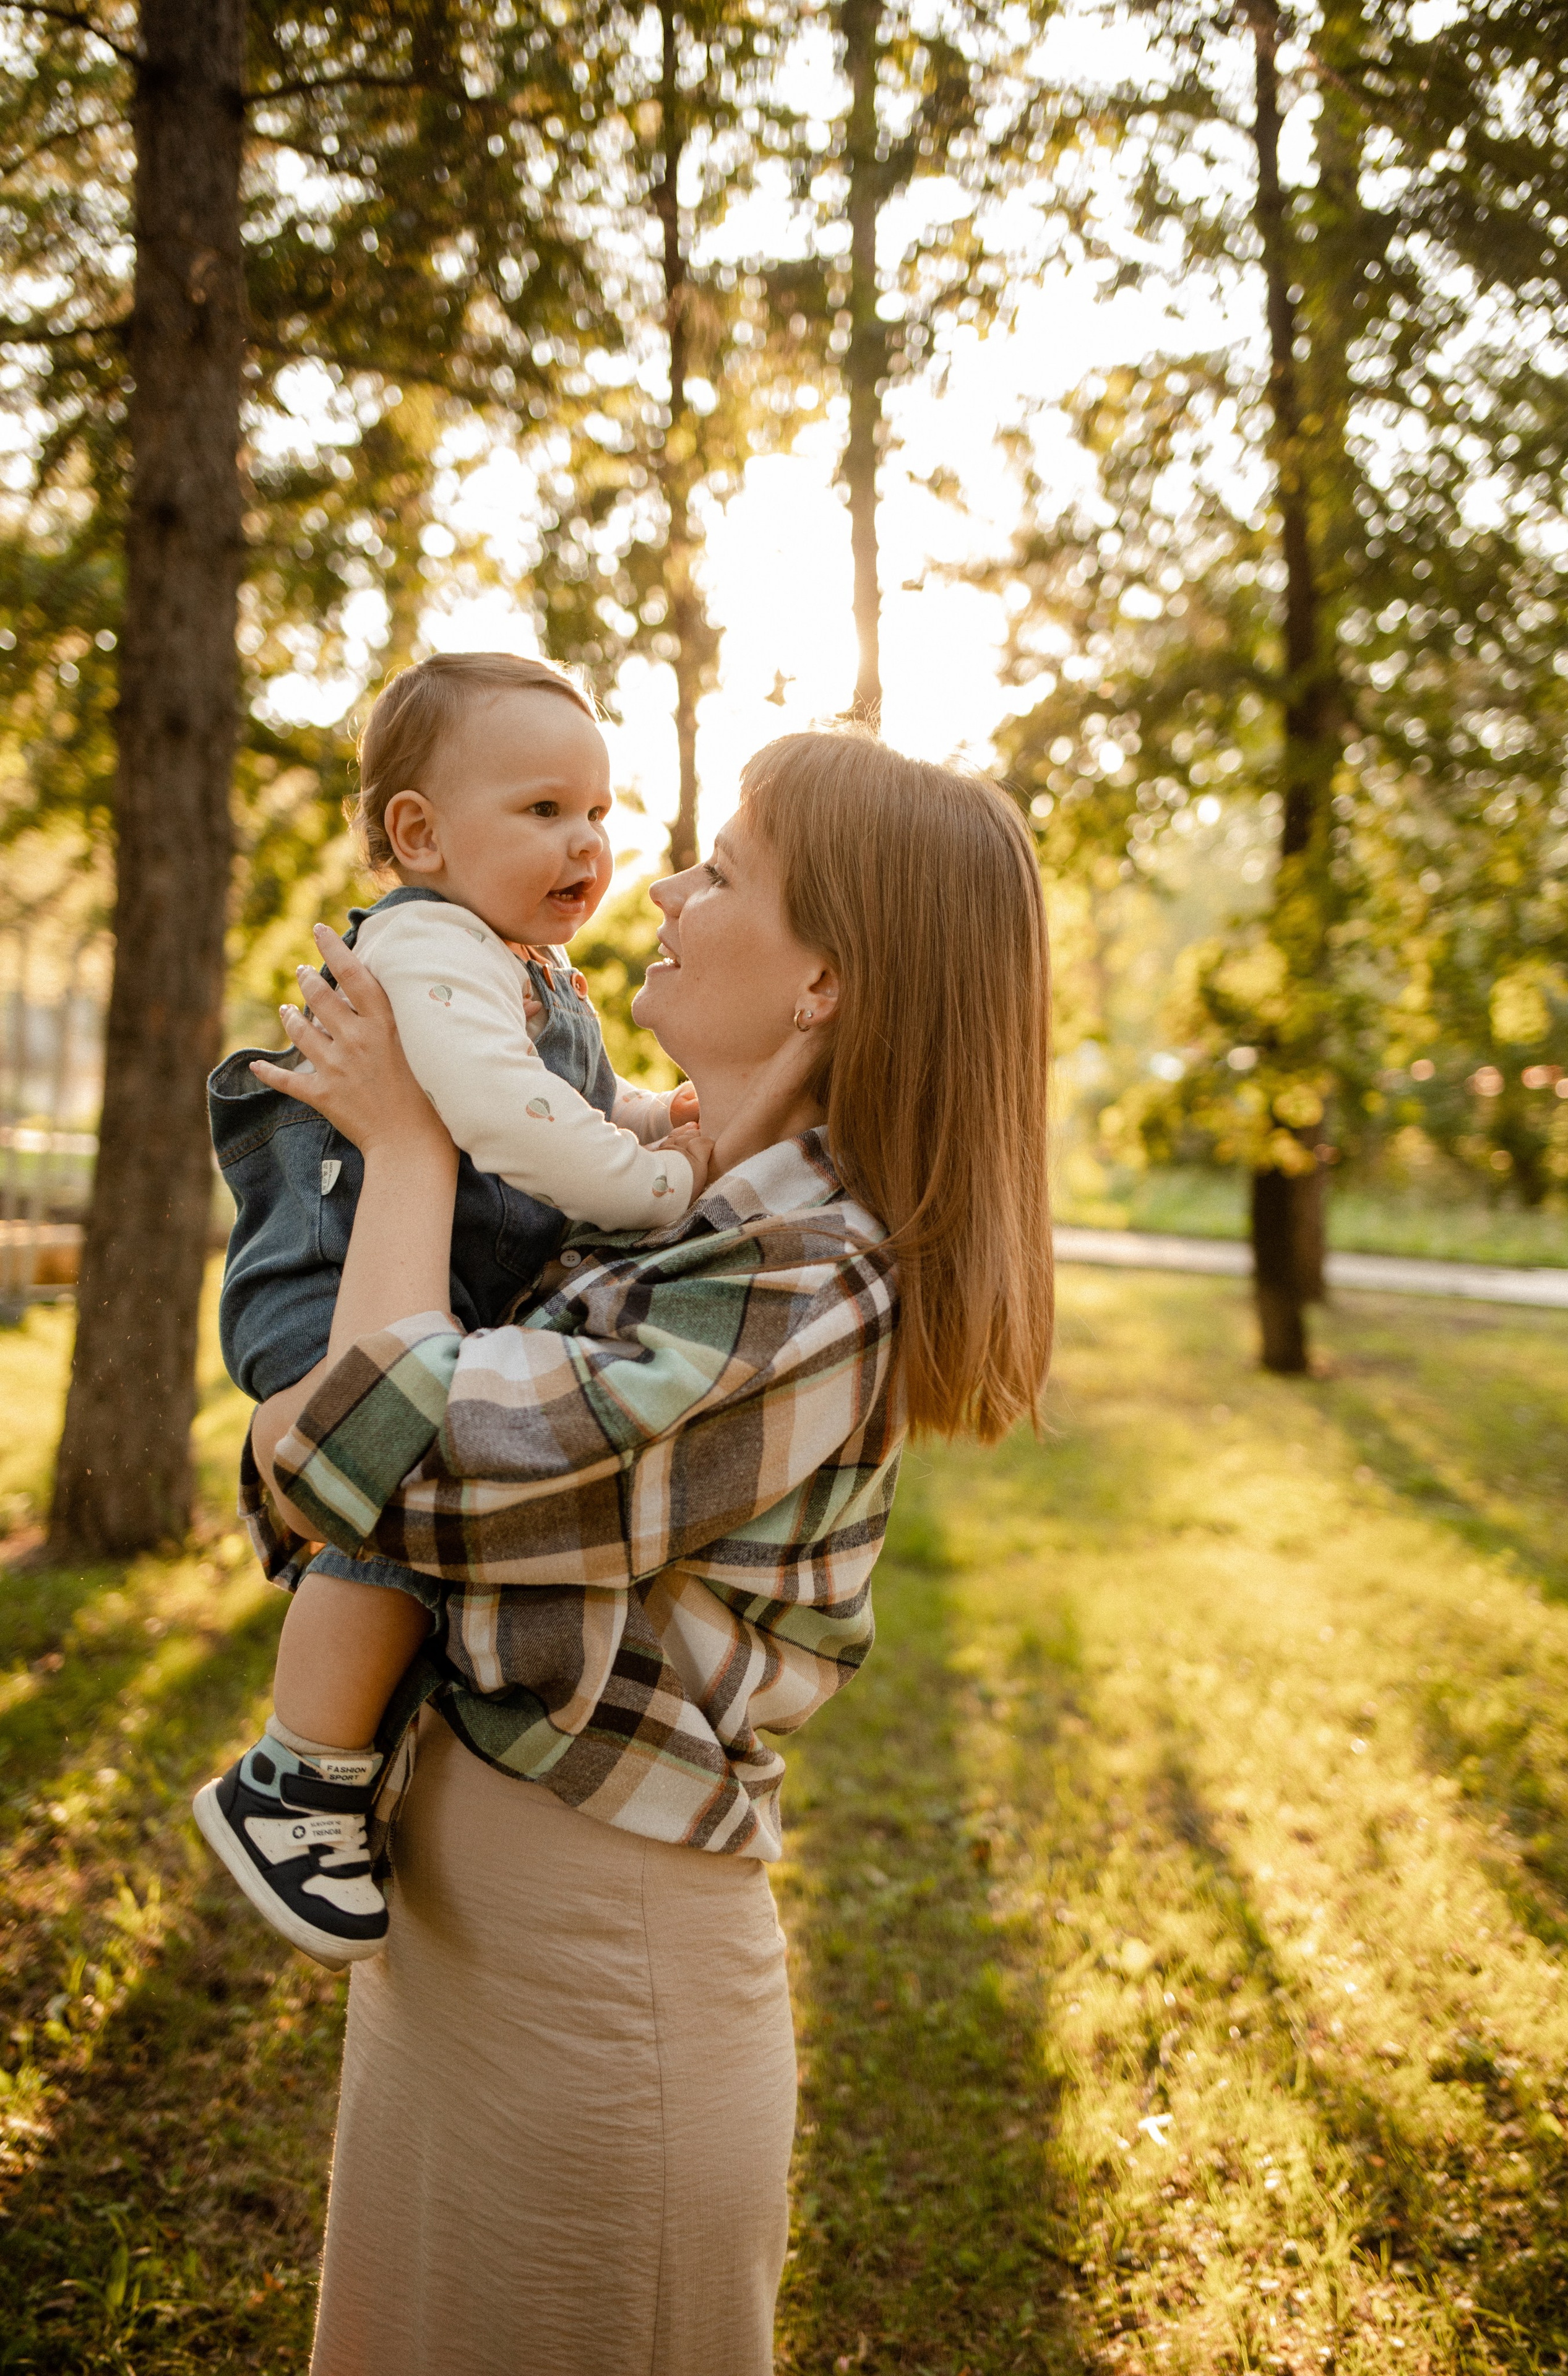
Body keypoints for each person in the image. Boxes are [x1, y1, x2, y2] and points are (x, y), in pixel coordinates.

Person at [243, 729, 1054, 2376]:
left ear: (824, 981)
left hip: (598, 1959)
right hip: (469, 1913)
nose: (664, 885)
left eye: (725, 869)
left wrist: (407, 1149)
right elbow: (328, 1448)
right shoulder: (682, 1210)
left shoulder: (818, 1274)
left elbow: (382, 1467)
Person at [196, 652, 709, 1966]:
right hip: (329, 1282)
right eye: (542, 810)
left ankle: (340, 1760)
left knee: (428, 1497)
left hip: (429, 1273)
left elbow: (568, 1105)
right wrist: (652, 1178)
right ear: (417, 834)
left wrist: (654, 1115)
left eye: (598, 811)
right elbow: (497, 1112)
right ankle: (294, 1774)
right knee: (387, 1502)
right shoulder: (429, 944)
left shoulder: (519, 964)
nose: (587, 842)